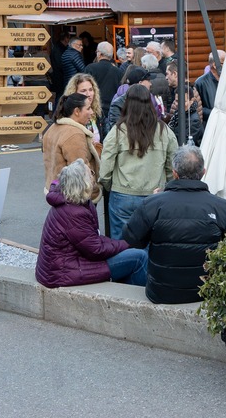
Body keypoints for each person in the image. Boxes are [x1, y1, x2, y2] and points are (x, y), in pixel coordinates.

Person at [122, 145, 226, 303]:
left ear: (174, 173)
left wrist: (152, 202)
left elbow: (132, 239)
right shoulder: (221, 206)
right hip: (207, 292)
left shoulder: (153, 203)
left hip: (162, 292)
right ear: (203, 172)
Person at [35, 159, 148, 288]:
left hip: (61, 266)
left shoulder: (71, 201)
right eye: (91, 174)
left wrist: (122, 244)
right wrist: (126, 244)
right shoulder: (74, 212)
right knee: (140, 257)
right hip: (61, 273)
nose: (94, 177)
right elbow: (96, 250)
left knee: (130, 254)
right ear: (82, 183)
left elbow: (92, 240)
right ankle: (132, 297)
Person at [99, 84, 176, 237]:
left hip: (123, 194)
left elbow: (105, 168)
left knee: (122, 243)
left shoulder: (118, 130)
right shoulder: (164, 130)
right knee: (151, 241)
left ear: (127, 103)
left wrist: (112, 186)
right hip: (155, 194)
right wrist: (167, 187)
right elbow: (172, 166)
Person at [41, 93, 98, 192]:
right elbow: (80, 174)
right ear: (77, 111)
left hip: (53, 190)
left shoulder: (53, 128)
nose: (92, 112)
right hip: (71, 195)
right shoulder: (74, 134)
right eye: (88, 108)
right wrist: (94, 190)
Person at [85, 42, 122, 111]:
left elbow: (84, 88)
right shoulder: (118, 71)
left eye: (96, 51)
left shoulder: (90, 68)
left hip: (94, 107)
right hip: (112, 108)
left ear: (99, 54)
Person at [193, 50, 225, 128]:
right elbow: (196, 108)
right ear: (215, 65)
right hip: (209, 126)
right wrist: (216, 114)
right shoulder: (200, 83)